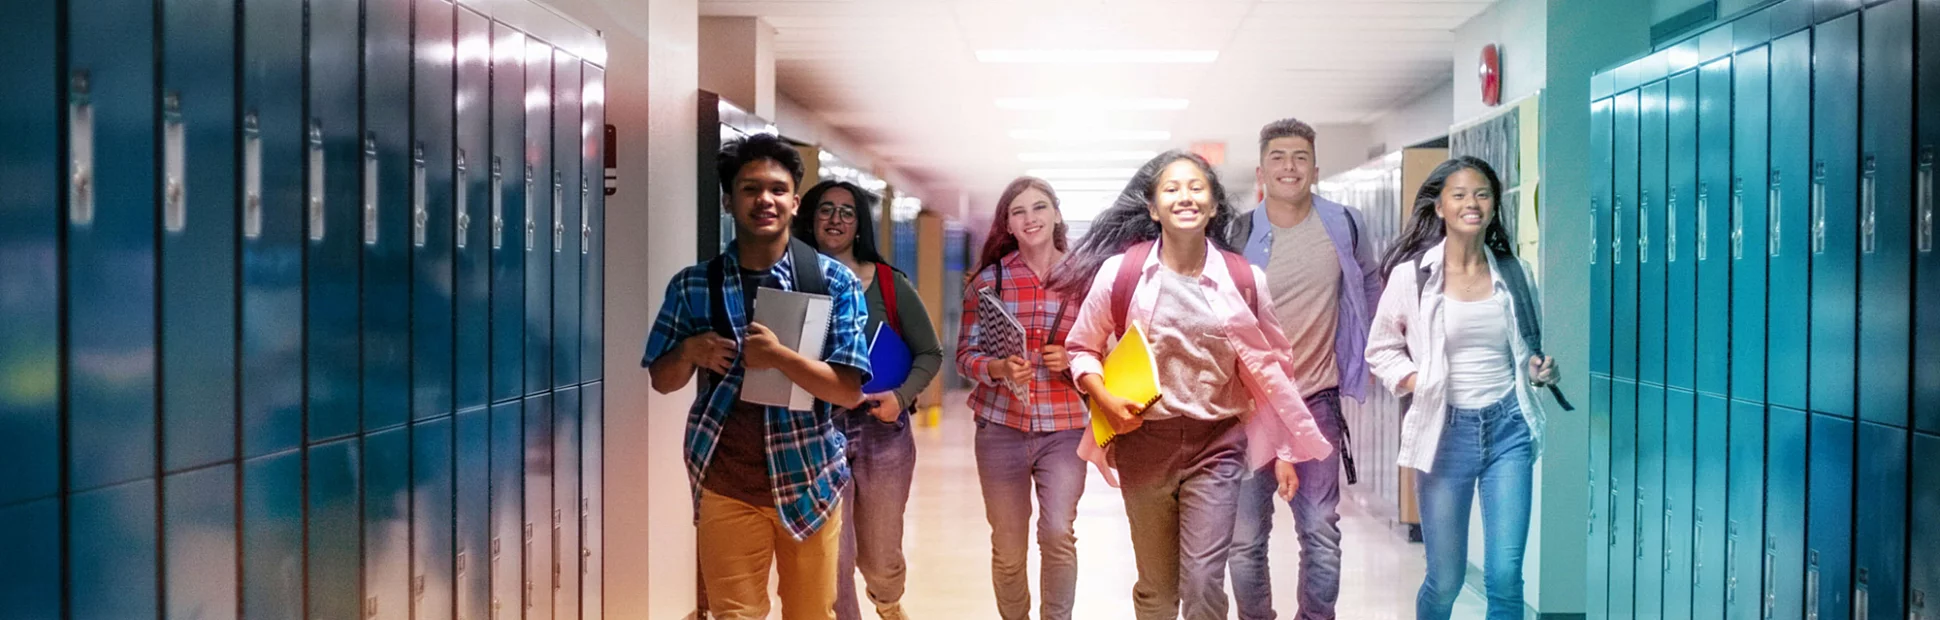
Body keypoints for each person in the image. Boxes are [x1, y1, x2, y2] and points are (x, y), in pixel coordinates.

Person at [1044, 150, 1333, 620]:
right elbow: (1081, 349)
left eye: (1197, 187)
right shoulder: (1122, 274)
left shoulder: (1245, 280)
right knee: (1157, 591)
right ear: (1154, 208)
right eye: (1172, 188)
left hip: (1216, 443)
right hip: (1143, 441)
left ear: (1214, 205)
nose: (1185, 197)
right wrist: (1103, 397)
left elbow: (1277, 366)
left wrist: (1284, 450)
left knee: (1202, 582)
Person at [643, 133, 873, 620]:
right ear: (728, 200)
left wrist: (779, 357)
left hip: (809, 477)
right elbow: (663, 381)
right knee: (734, 614)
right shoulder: (692, 284)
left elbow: (849, 392)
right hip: (726, 481)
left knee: (810, 613)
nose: (763, 199)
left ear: (794, 201)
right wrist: (689, 350)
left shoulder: (833, 282)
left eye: (776, 188)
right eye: (749, 189)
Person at [1363, 156, 1560, 620]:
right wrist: (1419, 381)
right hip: (1443, 431)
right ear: (1440, 207)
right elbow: (1381, 350)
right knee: (1446, 578)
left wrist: (1538, 370)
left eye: (1482, 194)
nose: (1472, 203)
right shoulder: (1412, 276)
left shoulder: (1515, 273)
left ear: (1493, 205)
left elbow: (1525, 349)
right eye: (1460, 194)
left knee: (1505, 576)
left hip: (1509, 427)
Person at [1224, 118, 1383, 620]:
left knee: (1321, 531)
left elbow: (1370, 283)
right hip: (1251, 407)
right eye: (1277, 157)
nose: (1288, 167)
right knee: (1245, 538)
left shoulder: (1343, 224)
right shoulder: (1237, 233)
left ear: (1315, 168)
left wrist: (1371, 349)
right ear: (1261, 170)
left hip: (1317, 401)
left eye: (1299, 157)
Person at [793, 179, 943, 620]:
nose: (835, 219)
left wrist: (901, 396)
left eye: (846, 212)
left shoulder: (889, 284)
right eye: (825, 210)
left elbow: (930, 353)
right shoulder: (792, 279)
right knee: (833, 557)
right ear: (810, 218)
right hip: (816, 429)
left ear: (859, 224)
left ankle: (888, 600)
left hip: (882, 431)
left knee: (880, 558)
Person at [954, 176, 1087, 620]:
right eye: (1019, 211)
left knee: (1057, 533)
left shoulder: (1084, 278)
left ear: (1056, 215)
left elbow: (1107, 347)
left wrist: (1072, 356)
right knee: (1008, 547)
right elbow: (964, 355)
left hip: (1066, 427)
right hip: (1000, 427)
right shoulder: (988, 282)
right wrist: (996, 368)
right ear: (1007, 225)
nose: (1030, 218)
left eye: (1040, 207)